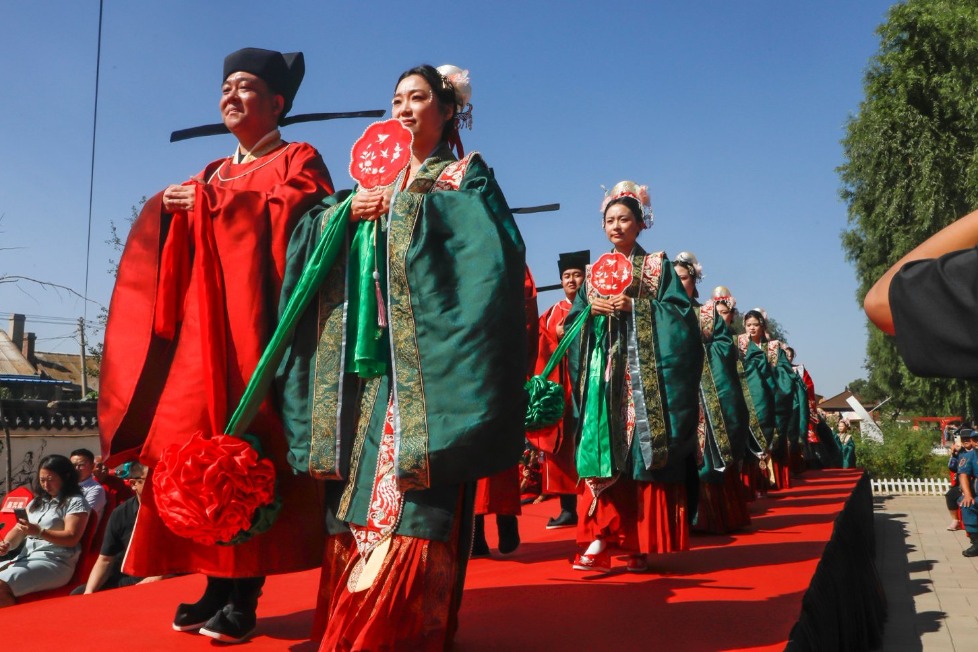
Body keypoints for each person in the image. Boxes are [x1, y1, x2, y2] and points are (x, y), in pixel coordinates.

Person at [278, 63, 526, 650]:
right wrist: (343, 216)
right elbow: (306, 238)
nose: (405, 108)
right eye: (397, 99)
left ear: (449, 110)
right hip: (366, 372)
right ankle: (349, 627)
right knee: (355, 497)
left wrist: (407, 215)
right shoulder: (369, 188)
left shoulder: (465, 178)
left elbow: (493, 253)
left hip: (430, 372)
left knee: (412, 498)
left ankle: (398, 633)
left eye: (419, 98)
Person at [97, 47, 334, 643]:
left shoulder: (298, 158)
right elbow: (176, 245)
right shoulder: (210, 173)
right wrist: (169, 210)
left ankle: (246, 591)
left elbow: (301, 221)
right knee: (189, 447)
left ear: (277, 102)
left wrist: (210, 207)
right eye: (226, 87)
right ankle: (212, 577)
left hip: (260, 334)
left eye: (246, 87)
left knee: (252, 450)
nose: (231, 96)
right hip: (202, 339)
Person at [568, 181, 701, 574]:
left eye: (624, 218)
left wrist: (637, 307)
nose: (616, 226)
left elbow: (681, 318)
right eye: (610, 220)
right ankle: (600, 536)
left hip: (644, 380)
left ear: (641, 223)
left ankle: (639, 542)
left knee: (639, 455)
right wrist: (590, 311)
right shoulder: (593, 273)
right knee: (605, 453)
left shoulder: (658, 267)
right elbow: (572, 323)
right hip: (603, 379)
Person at [672, 259, 752, 535]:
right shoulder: (661, 313)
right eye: (673, 278)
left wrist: (696, 354)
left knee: (704, 448)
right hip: (670, 393)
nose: (678, 283)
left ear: (694, 281)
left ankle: (707, 517)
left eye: (683, 277)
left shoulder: (706, 314)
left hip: (702, 393)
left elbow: (724, 349)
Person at [530, 250, 589, 530]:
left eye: (577, 274)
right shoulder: (552, 314)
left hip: (590, 386)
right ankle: (568, 509)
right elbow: (540, 351)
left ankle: (595, 505)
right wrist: (556, 336)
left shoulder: (595, 306)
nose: (572, 280)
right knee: (563, 449)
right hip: (563, 391)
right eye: (567, 276)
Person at [0, 454, 91, 607]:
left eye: (50, 480)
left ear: (66, 477)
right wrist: (6, 544)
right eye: (42, 480)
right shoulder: (37, 502)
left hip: (55, 561)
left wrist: (40, 532)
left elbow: (72, 537)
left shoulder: (75, 501)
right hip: (27, 557)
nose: (45, 485)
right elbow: (20, 529)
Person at [71, 463, 164, 594]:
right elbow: (105, 559)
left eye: (160, 478)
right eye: (151, 481)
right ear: (133, 483)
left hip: (165, 575)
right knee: (78, 593)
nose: (158, 484)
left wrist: (161, 577)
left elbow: (185, 556)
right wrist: (89, 593)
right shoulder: (121, 513)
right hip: (129, 577)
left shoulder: (172, 509)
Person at [955, 429, 978, 556]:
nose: (977, 442)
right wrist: (968, 495)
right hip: (976, 493)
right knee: (967, 504)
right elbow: (963, 475)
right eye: (975, 440)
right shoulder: (969, 456)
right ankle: (976, 542)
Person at [70, 448, 107, 519]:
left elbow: (82, 516)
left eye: (81, 465)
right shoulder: (65, 484)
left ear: (92, 466)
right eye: (73, 465)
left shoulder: (96, 489)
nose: (76, 468)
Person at [945, 432, 971, 531]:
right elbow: (952, 467)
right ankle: (955, 520)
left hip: (973, 482)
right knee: (950, 495)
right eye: (964, 439)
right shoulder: (961, 453)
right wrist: (954, 454)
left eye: (968, 439)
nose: (966, 441)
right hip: (963, 484)